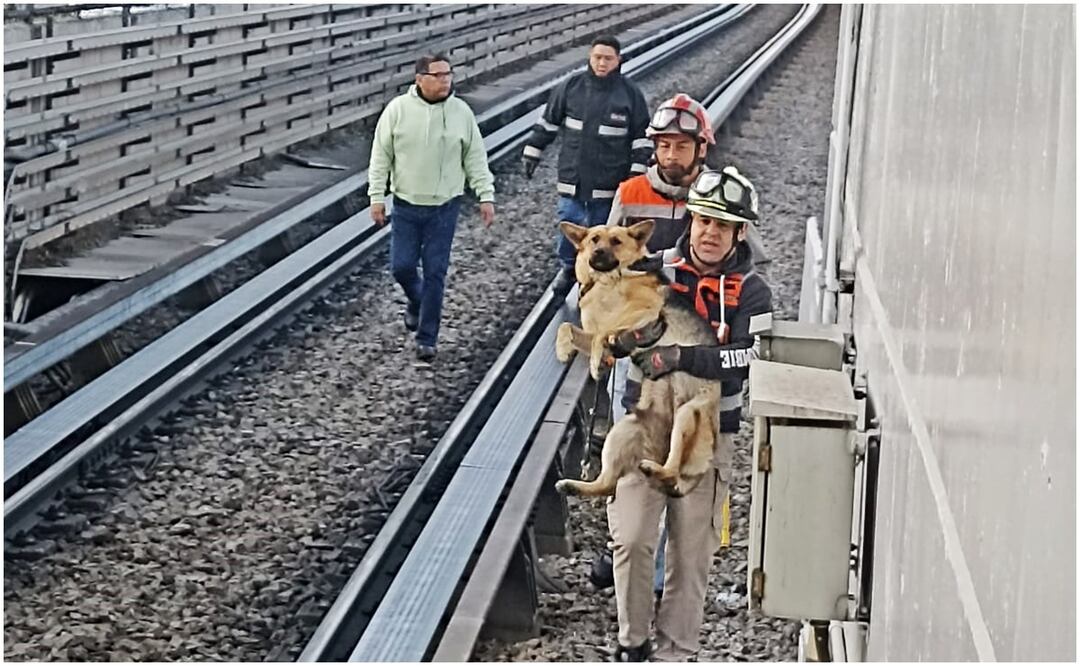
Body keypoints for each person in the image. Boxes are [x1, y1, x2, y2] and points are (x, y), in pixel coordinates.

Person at [606, 166, 773, 662]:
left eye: (722, 225)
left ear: (739, 232)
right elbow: (618, 327)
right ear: (690, 220)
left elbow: (750, 356)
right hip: (644, 426)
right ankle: (632, 642)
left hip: (706, 438)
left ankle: (675, 652)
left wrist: (686, 357)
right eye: (703, 220)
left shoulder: (752, 291)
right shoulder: (651, 271)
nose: (709, 232)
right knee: (631, 538)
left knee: (690, 555)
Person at [587, 93, 717, 596]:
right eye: (665, 145)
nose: (672, 156)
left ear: (699, 149)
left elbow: (746, 258)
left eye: (682, 146)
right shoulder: (632, 192)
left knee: (676, 451)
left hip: (686, 349)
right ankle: (621, 542)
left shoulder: (713, 197)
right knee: (631, 437)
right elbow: (603, 262)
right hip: (638, 344)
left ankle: (661, 567)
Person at [368, 53, 496, 362]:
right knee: (402, 267)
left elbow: (475, 157)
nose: (445, 81)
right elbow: (381, 155)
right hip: (406, 205)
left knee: (436, 272)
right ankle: (417, 301)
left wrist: (485, 195)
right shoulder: (397, 111)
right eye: (437, 75)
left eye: (448, 75)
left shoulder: (461, 113)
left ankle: (427, 339)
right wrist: (376, 196)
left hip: (444, 206)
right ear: (419, 79)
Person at [520, 35, 651, 296]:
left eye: (608, 58)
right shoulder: (571, 87)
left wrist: (636, 174)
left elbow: (641, 137)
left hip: (609, 184)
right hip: (573, 179)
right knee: (570, 225)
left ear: (618, 60)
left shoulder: (630, 95)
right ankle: (568, 270)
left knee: (603, 239)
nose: (602, 63)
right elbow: (549, 123)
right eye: (597, 57)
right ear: (590, 57)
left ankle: (599, 285)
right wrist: (532, 151)